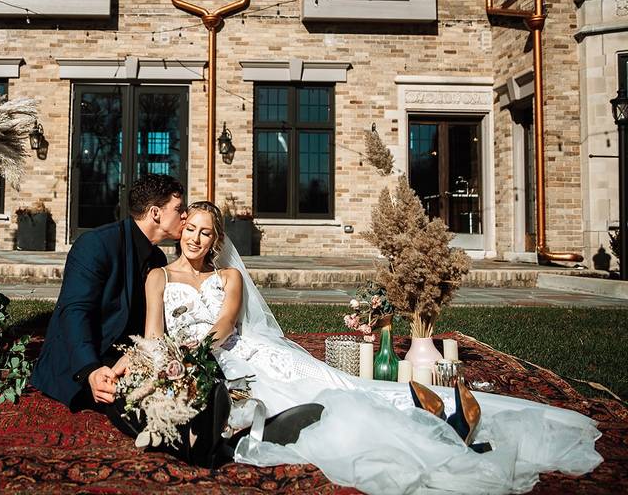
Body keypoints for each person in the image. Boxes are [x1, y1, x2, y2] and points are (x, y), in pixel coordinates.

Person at [126, 200, 602, 495]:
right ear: (181, 228)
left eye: (206, 233)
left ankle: (436, 421)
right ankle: (424, 430)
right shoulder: (158, 277)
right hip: (196, 363)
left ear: (216, 241)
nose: (195, 238)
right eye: (191, 229)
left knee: (345, 391)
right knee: (301, 416)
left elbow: (227, 323)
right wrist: (164, 365)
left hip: (241, 351)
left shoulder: (228, 276)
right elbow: (151, 333)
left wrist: (193, 354)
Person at [31, 174, 186, 411]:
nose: (184, 215)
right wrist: (90, 370)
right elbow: (74, 311)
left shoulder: (158, 258)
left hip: (125, 356)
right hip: (85, 358)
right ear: (156, 213)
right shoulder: (96, 244)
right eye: (179, 209)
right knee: (139, 402)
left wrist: (139, 357)